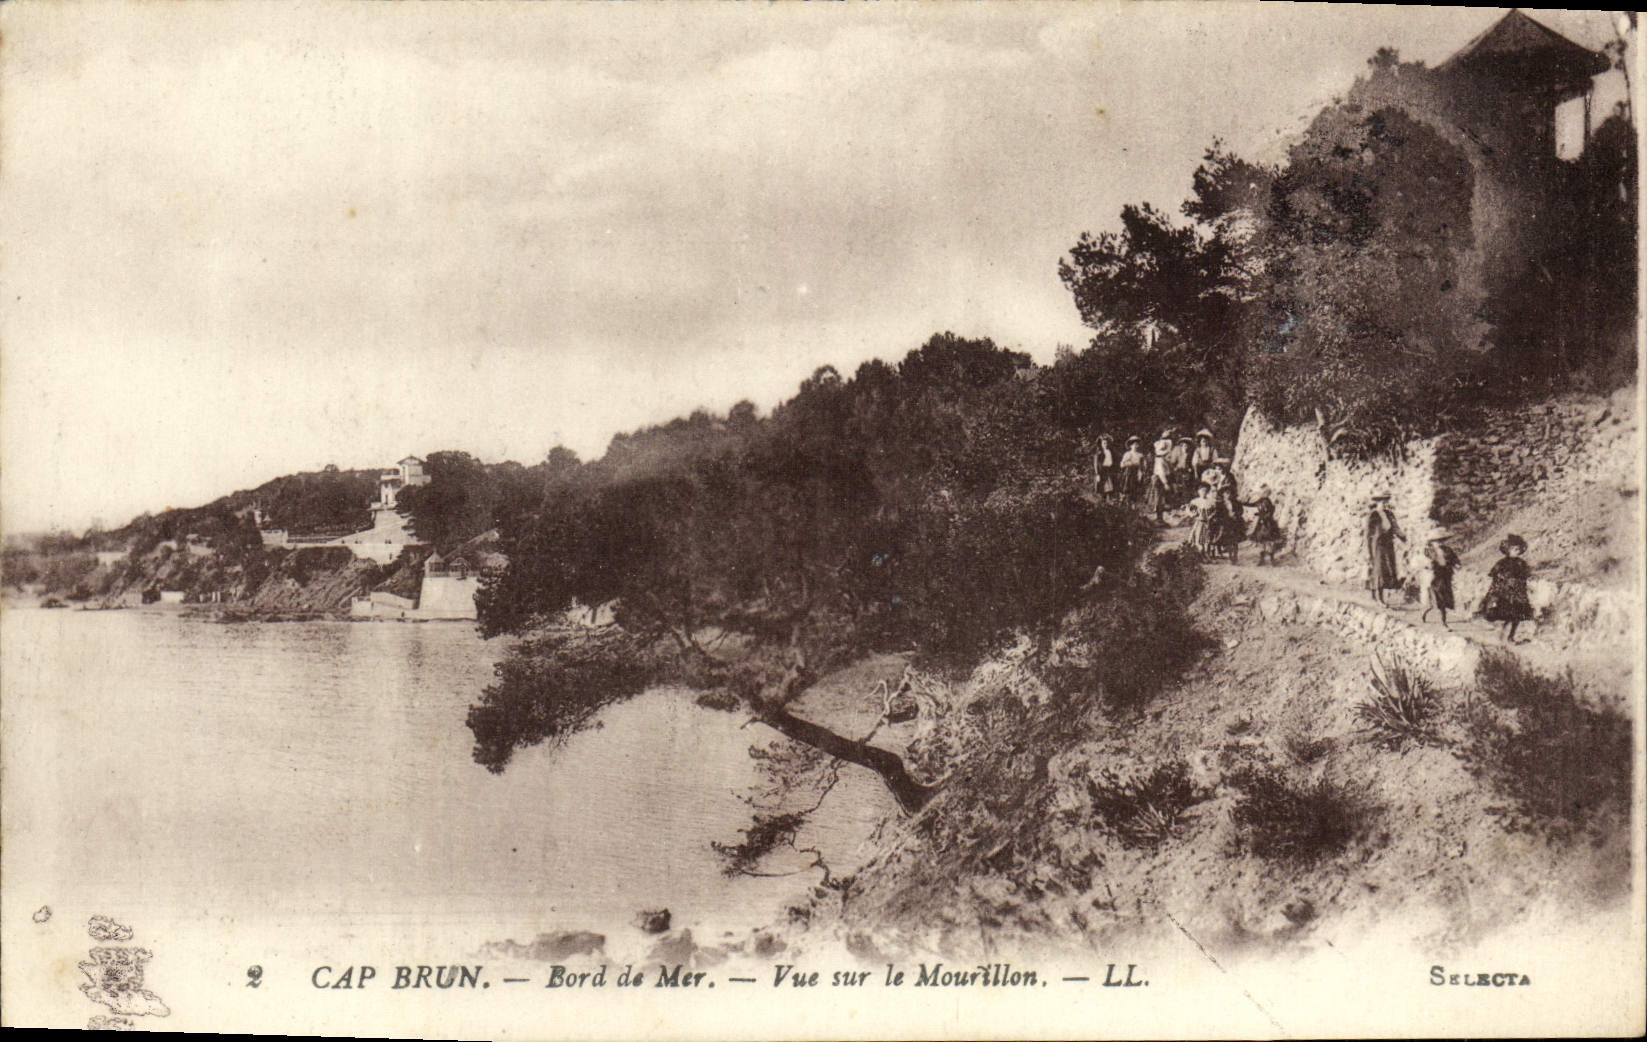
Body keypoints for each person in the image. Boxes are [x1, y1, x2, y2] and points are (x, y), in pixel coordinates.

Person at [1479, 534, 1534, 642]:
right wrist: (1496, 590)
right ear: (1508, 550)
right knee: (1504, 613)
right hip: (1504, 593)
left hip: (1518, 593)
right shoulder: (1502, 563)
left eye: (1518, 549)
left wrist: (1524, 586)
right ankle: (1501, 633)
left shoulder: (1521, 563)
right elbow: (1495, 577)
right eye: (1514, 549)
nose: (1517, 551)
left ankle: (1511, 635)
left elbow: (1525, 576)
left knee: (1517, 615)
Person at [1365, 494, 1406, 607]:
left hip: (1388, 545)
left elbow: (1396, 528)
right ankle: (1379, 598)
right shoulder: (1373, 515)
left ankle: (1377, 595)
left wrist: (1404, 538)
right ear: (1377, 503)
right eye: (1382, 502)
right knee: (1379, 571)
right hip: (1377, 546)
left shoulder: (1389, 514)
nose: (1384, 504)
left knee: (1388, 570)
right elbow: (1368, 534)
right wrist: (1368, 551)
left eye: (1385, 501)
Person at [1418, 532, 1460, 628]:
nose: (1439, 543)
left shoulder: (1447, 550)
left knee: (1443, 600)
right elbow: (1423, 563)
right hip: (1434, 578)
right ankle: (1443, 622)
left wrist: (1456, 564)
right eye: (1436, 541)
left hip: (1445, 577)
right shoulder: (1428, 551)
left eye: (1441, 541)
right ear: (1432, 542)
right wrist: (1427, 566)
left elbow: (1455, 560)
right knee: (1439, 600)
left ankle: (1428, 612)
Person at [1244, 485, 1283, 566]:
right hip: (1262, 522)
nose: (1261, 493)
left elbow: (1270, 512)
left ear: (1267, 493)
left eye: (1264, 492)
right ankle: (1263, 560)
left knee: (1269, 541)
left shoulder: (1268, 502)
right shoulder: (1260, 500)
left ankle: (1272, 560)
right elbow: (1252, 504)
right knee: (1262, 541)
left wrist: (1263, 516)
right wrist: (1243, 503)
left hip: (1268, 523)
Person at [1147, 429, 1174, 522]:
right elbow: (1161, 472)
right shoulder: (1160, 460)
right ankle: (1159, 518)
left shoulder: (1165, 459)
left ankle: (1161, 517)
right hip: (1160, 480)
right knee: (1159, 499)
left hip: (1164, 479)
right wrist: (1166, 483)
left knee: (1162, 499)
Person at [1189, 484, 1216, 559]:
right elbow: (1189, 510)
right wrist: (1193, 514)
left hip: (1208, 522)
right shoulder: (1195, 501)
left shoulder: (1210, 501)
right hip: (1199, 522)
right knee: (1198, 538)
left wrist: (1211, 516)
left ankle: (1207, 555)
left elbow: (1214, 511)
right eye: (1202, 491)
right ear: (1198, 492)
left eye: (1205, 491)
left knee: (1207, 539)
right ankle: (1200, 555)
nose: (1203, 492)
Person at [1118, 436, 1146, 503]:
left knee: (1135, 489)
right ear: (1130, 446)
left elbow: (1143, 465)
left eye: (1137, 444)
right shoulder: (1128, 454)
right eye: (1133, 444)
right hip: (1129, 473)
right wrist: (1129, 464)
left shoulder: (1140, 455)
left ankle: (1133, 504)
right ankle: (1123, 501)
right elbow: (1122, 464)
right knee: (1127, 487)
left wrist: (1141, 471)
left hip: (1137, 473)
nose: (1135, 446)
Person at [1092, 434, 1116, 500]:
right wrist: (1097, 474)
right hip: (1101, 471)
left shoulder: (1109, 452)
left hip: (1108, 470)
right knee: (1102, 488)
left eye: (1107, 443)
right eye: (1104, 443)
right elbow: (1096, 464)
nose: (1106, 444)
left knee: (1109, 488)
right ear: (1101, 444)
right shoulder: (1098, 453)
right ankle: (1102, 502)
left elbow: (1111, 462)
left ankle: (1108, 502)